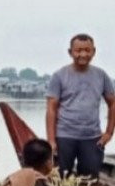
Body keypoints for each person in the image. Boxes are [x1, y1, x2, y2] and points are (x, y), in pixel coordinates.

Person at [46, 34, 115, 178]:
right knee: (60, 178)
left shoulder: (101, 75)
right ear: (70, 52)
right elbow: (51, 109)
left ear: (93, 51)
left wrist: (109, 133)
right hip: (64, 136)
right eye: (78, 50)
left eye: (87, 50)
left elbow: (112, 104)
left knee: (89, 180)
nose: (83, 54)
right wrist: (51, 140)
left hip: (92, 137)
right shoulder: (59, 76)